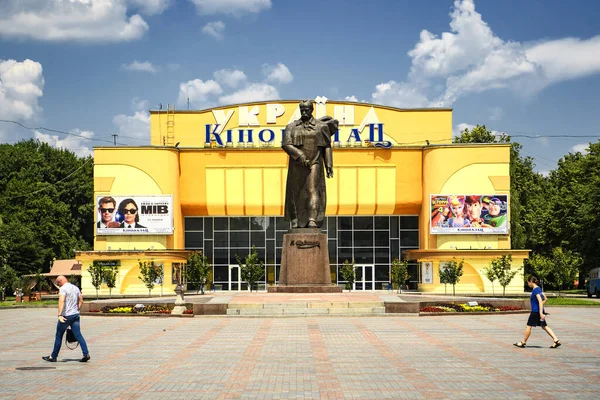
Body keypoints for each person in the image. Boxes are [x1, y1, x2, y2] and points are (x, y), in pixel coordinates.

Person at [282, 100, 336, 228]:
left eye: (307, 110)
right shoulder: (291, 127)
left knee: (313, 190)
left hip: (314, 162)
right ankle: (295, 219)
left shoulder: (320, 127)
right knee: (295, 191)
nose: (304, 112)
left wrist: (329, 164)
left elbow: (326, 146)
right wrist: (299, 155)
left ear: (312, 110)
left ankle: (312, 219)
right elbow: (286, 144)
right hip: (297, 164)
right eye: (302, 110)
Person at [43, 275, 90, 362]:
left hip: (66, 315)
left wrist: (59, 315)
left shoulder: (63, 289)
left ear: (61, 281)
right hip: (75, 314)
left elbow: (61, 301)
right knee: (78, 335)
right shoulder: (75, 288)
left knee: (59, 335)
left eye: (58, 283)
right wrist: (77, 309)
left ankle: (53, 356)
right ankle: (86, 353)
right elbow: (81, 300)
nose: (58, 285)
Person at [513, 275, 561, 349]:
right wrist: (541, 309)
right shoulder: (539, 289)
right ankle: (556, 340)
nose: (528, 284)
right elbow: (545, 299)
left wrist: (540, 312)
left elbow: (540, 301)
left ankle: (523, 342)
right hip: (538, 311)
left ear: (531, 281)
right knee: (544, 326)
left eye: (528, 282)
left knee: (528, 326)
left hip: (535, 312)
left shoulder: (535, 290)